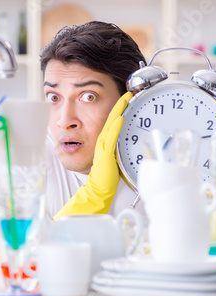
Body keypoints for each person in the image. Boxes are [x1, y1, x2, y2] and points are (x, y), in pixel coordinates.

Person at [39, 21, 147, 219]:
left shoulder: (160, 168)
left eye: (88, 96)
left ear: (131, 102)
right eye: (54, 97)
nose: (65, 121)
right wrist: (95, 195)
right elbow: (8, 248)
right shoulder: (23, 159)